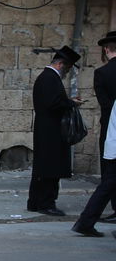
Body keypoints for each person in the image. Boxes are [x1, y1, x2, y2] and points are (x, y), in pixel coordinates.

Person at [27, 45, 83, 216]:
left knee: (43, 167)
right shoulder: (50, 78)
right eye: (67, 68)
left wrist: (68, 100)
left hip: (46, 129)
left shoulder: (46, 77)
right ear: (60, 64)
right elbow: (54, 104)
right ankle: (46, 203)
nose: (67, 72)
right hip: (51, 130)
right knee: (50, 168)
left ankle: (35, 202)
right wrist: (72, 103)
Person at [72, 32, 116, 236]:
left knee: (109, 178)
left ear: (107, 50)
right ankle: (85, 222)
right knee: (109, 181)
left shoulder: (102, 74)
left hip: (111, 131)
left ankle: (86, 222)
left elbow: (106, 106)